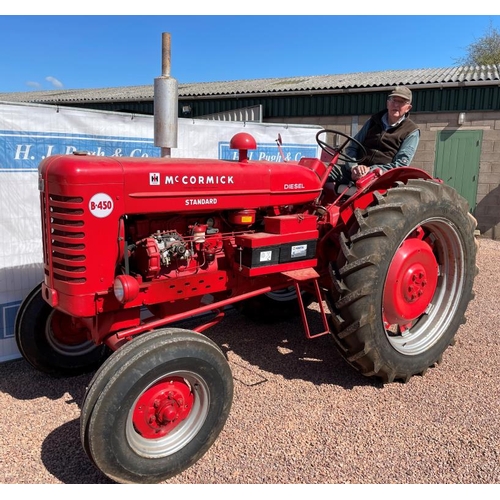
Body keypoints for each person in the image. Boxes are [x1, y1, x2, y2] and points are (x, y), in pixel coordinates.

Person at [327, 85, 420, 185]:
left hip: (381, 176)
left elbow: (401, 164)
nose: (396, 105)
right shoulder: (373, 121)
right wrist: (353, 167)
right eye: (393, 100)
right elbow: (353, 147)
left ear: (408, 108)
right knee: (323, 171)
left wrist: (370, 170)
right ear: (388, 103)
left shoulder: (411, 130)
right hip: (355, 169)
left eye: (401, 102)